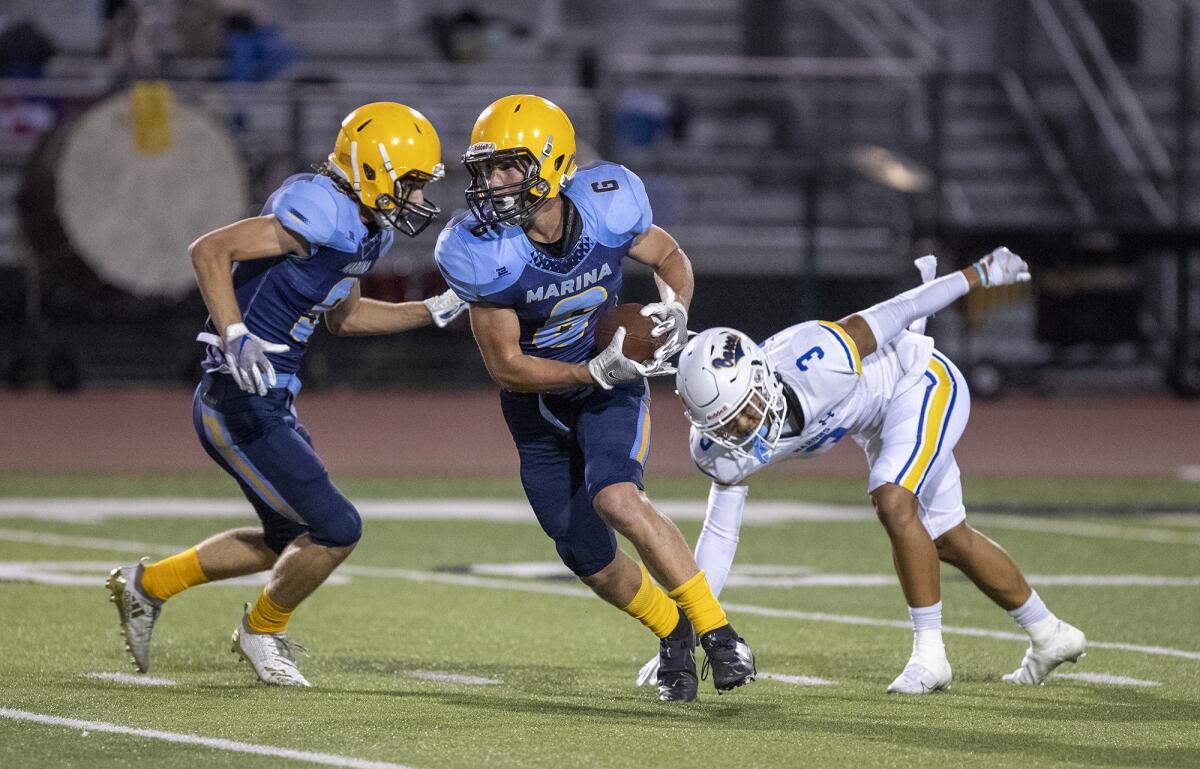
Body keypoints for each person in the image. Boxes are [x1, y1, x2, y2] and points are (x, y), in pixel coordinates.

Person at [107, 102, 466, 686]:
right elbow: (209, 250)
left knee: (285, 541)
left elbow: (344, 319)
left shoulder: (364, 227)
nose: (419, 197)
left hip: (272, 400)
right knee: (336, 527)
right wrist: (234, 332)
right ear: (374, 169)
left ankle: (148, 586)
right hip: (237, 398)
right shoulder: (321, 207)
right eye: (412, 182)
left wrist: (430, 310)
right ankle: (261, 630)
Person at [639, 248, 1086, 694]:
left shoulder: (819, 356)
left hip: (918, 381)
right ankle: (1050, 635)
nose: (742, 428)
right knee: (947, 538)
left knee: (892, 498)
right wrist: (689, 628)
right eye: (723, 423)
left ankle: (930, 657)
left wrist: (980, 273)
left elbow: (903, 307)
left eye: (744, 411)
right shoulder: (720, 448)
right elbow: (719, 536)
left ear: (760, 377)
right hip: (874, 423)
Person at [434, 94, 755, 702]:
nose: (493, 183)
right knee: (585, 553)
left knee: (617, 497)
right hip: (539, 404)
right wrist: (592, 371)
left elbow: (668, 255)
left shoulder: (608, 204)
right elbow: (508, 368)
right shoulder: (480, 248)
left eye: (509, 166)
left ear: (554, 166)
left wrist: (675, 310)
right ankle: (673, 632)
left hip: (611, 388)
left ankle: (719, 633)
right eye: (487, 168)